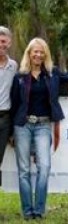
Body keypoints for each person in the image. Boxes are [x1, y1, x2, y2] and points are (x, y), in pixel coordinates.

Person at [10, 37, 68, 220]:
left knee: (45, 167)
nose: (38, 55)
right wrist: (12, 131)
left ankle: (39, 210)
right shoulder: (20, 77)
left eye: (42, 52)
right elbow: (15, 104)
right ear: (29, 53)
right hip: (23, 126)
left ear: (45, 54)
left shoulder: (52, 73)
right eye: (35, 51)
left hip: (43, 125)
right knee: (24, 170)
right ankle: (28, 211)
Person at [0, 26, 17, 175]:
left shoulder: (14, 66)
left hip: (5, 120)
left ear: (9, 43)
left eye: (4, 41)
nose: (1, 45)